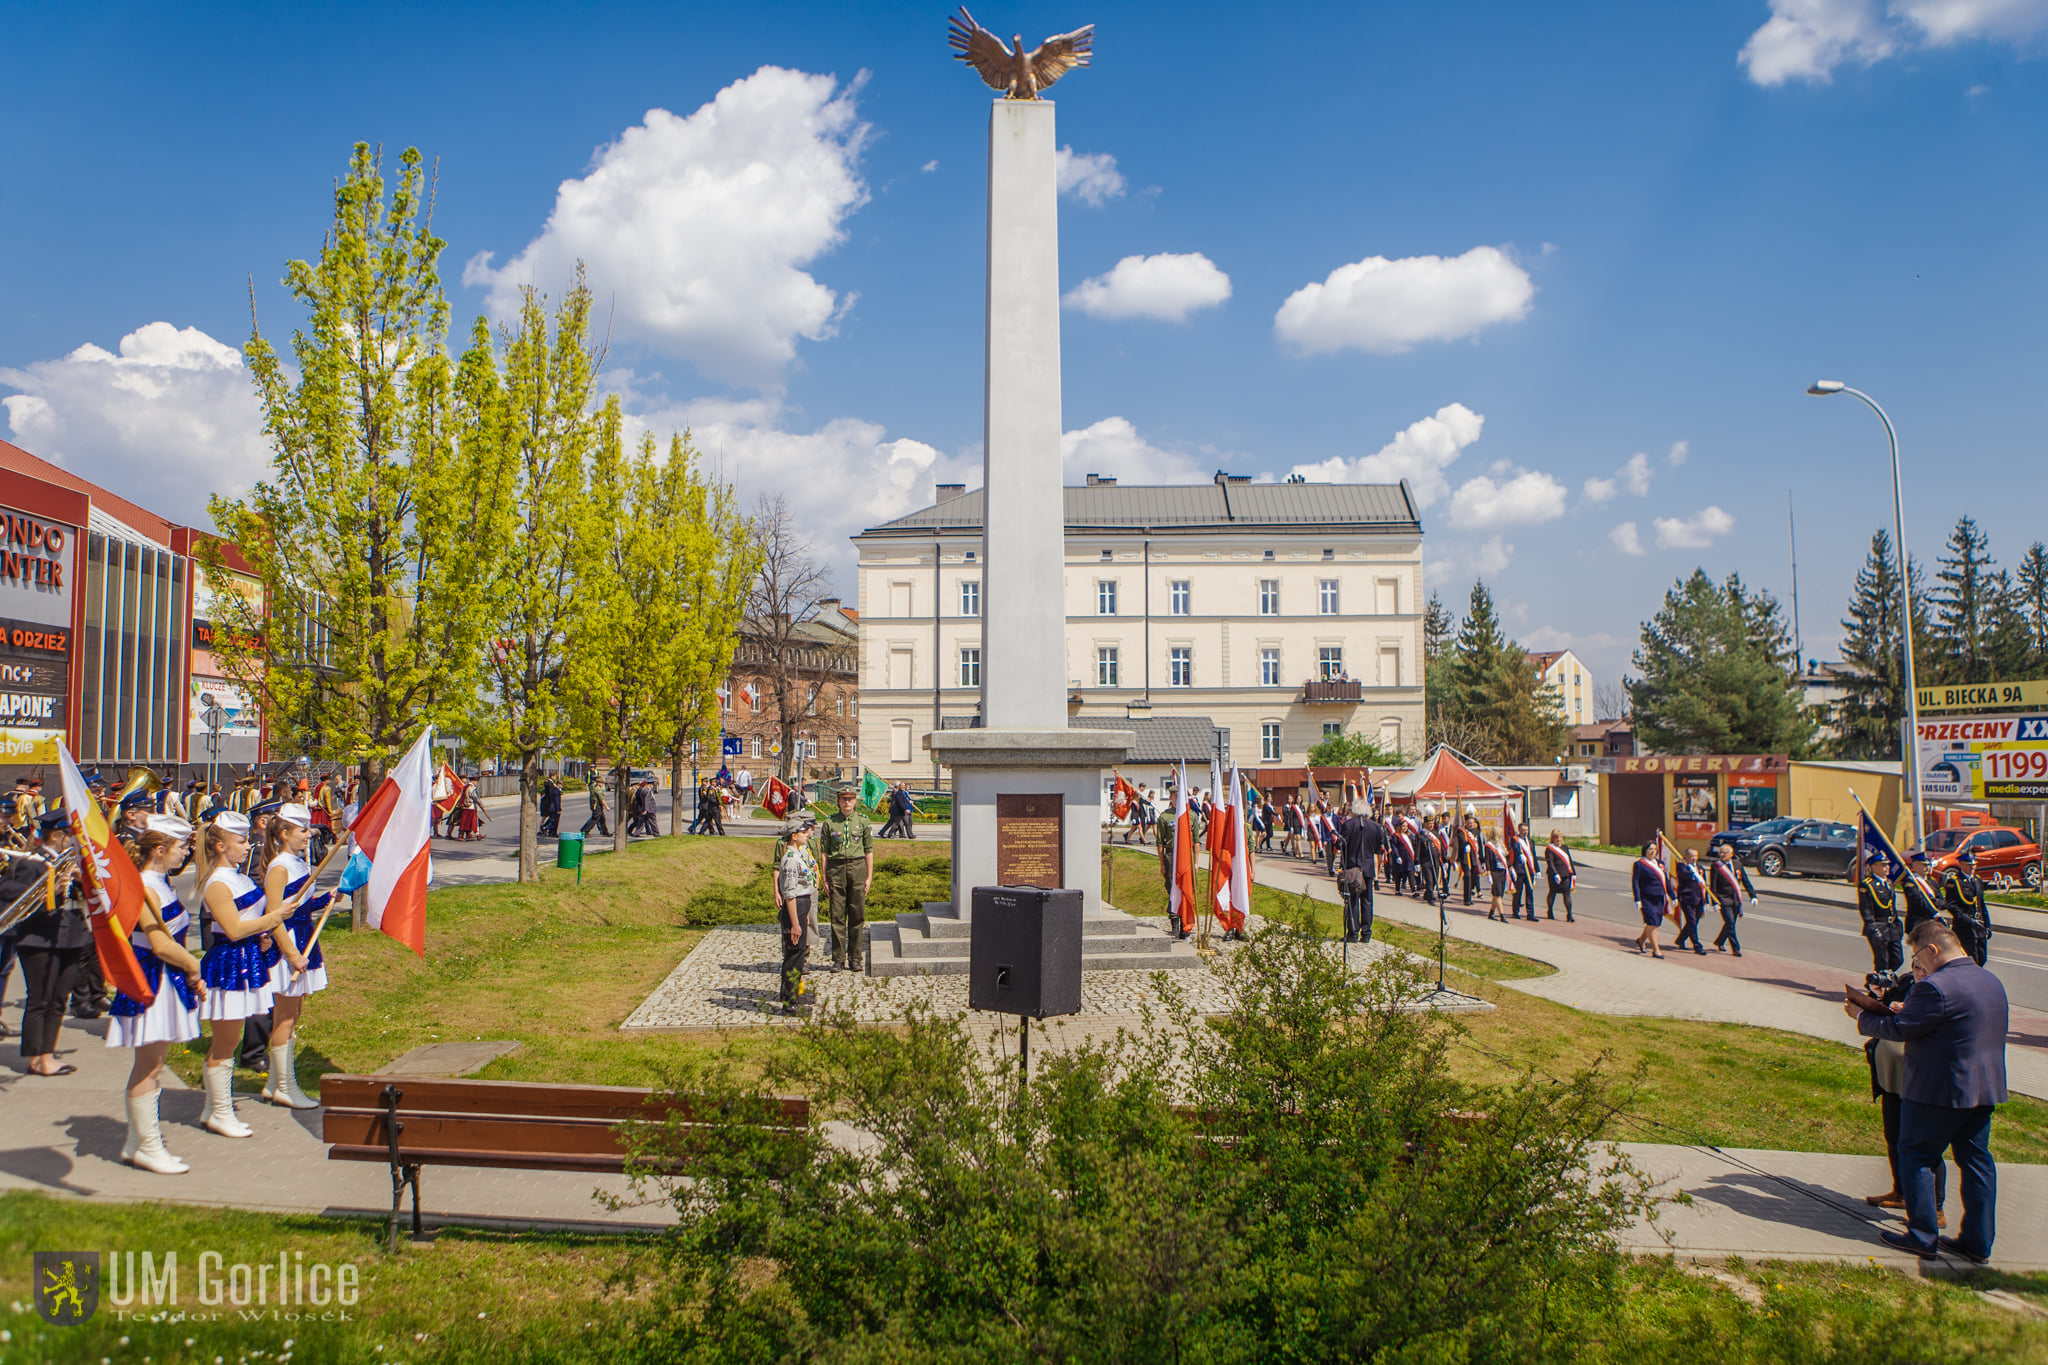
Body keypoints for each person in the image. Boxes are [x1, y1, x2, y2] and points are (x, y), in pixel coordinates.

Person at [1846, 919, 2007, 1263]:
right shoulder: (1989, 981)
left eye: (1918, 957)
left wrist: (1861, 1016)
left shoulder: (1935, 986)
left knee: (1917, 1156)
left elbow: (1899, 1030)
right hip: (1983, 1089)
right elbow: (1954, 1023)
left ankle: (1922, 1236)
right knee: (1977, 1163)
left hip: (1938, 1090)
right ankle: (1977, 1243)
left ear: (1932, 950)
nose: (1917, 965)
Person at [109, 818, 208, 1174]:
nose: (187, 853)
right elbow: (161, 944)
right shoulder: (144, 886)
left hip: (166, 977)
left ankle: (139, 1142)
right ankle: (148, 1146)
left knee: (154, 1064)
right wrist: (193, 968)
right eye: (182, 847)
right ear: (160, 850)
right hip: (152, 978)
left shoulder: (159, 884)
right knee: (149, 1066)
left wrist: (186, 968)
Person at [196, 813, 291, 1136]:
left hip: (248, 958)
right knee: (226, 1040)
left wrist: (262, 934)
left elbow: (248, 920)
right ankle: (220, 1110)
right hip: (229, 963)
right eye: (240, 841)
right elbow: (233, 929)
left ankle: (214, 1108)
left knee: (231, 1037)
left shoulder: (239, 878)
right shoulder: (217, 883)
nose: (247, 846)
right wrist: (273, 919)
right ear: (221, 846)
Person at [258, 804, 330, 1110]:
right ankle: (286, 1087)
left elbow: (301, 907)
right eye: (302, 830)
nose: (308, 834)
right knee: (285, 1018)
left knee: (293, 1014)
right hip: (288, 946)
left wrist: (330, 897)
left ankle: (274, 1083)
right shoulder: (279, 867)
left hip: (304, 939)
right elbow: (274, 916)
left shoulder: (299, 863)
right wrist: (291, 955)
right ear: (285, 834)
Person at [8, 811, 88, 1076]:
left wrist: (81, 881)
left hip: (72, 934)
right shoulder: (31, 863)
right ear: (56, 835)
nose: (74, 840)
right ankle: (35, 1057)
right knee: (40, 998)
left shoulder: (74, 864)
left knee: (59, 998)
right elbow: (16, 900)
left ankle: (47, 1053)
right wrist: (49, 892)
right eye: (70, 835)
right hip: (39, 937)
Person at [817, 783, 874, 973]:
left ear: (855, 801)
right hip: (836, 868)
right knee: (837, 915)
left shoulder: (864, 822)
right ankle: (838, 959)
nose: (847, 802)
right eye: (843, 799)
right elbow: (824, 852)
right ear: (838, 801)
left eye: (850, 799)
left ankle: (855, 958)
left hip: (857, 867)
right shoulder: (830, 822)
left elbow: (869, 851)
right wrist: (824, 877)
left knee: (857, 915)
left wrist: (868, 877)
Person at [772, 820, 817, 1013]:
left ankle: (793, 994)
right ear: (793, 835)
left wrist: (803, 915)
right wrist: (796, 923)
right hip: (794, 907)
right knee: (793, 955)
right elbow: (789, 894)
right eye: (803, 832)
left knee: (798, 954)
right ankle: (789, 1003)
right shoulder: (790, 859)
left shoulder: (799, 854)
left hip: (800, 906)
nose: (807, 834)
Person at [1941, 849, 1992, 967]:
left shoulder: (1977, 880)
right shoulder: (1954, 882)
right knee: (1971, 957)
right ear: (1962, 865)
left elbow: (1981, 903)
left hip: (1979, 925)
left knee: (1982, 957)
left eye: (1974, 865)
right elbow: (1952, 906)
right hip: (1965, 926)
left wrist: (1987, 925)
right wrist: (1969, 921)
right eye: (1969, 865)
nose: (1972, 867)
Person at [1339, 807, 1383, 943]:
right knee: (1367, 901)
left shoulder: (1349, 824)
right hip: (1368, 867)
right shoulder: (1376, 827)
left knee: (1353, 901)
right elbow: (1377, 848)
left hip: (1352, 867)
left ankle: (1353, 933)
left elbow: (1341, 844)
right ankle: (1366, 933)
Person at [1858, 855, 1906, 972]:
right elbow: (1865, 908)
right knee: (1882, 961)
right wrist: (1872, 927)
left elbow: (1892, 907)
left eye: (1887, 865)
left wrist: (1898, 925)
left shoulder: (1889, 883)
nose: (1887, 868)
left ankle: (1882, 981)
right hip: (1879, 926)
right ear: (1873, 867)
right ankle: (1878, 986)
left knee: (1897, 959)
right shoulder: (1867, 885)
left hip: (1892, 927)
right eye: (1883, 865)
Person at [1709, 844, 1756, 957]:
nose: (1722, 854)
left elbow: (1745, 881)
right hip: (1723, 899)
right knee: (1730, 923)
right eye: (1720, 852)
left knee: (1730, 924)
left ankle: (1719, 941)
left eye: (1725, 852)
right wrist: (1714, 902)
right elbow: (1713, 886)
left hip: (1735, 899)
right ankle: (1735, 948)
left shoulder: (1737, 864)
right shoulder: (1716, 866)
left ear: (1731, 854)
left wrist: (1753, 895)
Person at [1630, 840, 1670, 959]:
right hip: (1646, 897)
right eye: (1650, 849)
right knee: (1652, 923)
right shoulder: (1640, 864)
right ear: (1645, 850)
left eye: (1654, 849)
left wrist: (1673, 896)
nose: (1652, 852)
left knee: (1654, 923)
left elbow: (1665, 881)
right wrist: (1637, 899)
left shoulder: (1660, 864)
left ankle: (1641, 941)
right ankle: (1656, 950)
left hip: (1659, 897)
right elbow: (1635, 882)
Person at [1672, 849, 1709, 955]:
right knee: (1691, 921)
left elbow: (1704, 885)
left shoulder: (1700, 868)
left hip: (1698, 899)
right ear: (1686, 856)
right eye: (1692, 856)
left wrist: (1705, 900)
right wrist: (1693, 873)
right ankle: (1697, 946)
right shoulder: (1682, 866)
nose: (1694, 858)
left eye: (1696, 856)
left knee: (1693, 923)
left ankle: (1680, 939)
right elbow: (1684, 875)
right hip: (1687, 898)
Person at [1542, 830, 1577, 922]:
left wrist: (1573, 873)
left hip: (1565, 874)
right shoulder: (1549, 849)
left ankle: (1569, 914)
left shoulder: (1565, 848)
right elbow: (1550, 862)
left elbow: (1569, 860)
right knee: (1552, 892)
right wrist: (1555, 874)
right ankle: (1549, 911)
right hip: (1554, 875)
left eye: (1560, 837)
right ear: (1552, 839)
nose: (1558, 839)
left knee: (1566, 894)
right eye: (1556, 838)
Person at [1509, 826, 1537, 921]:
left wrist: (1537, 870)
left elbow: (1534, 856)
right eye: (1523, 830)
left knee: (1530, 892)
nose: (1525, 832)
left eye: (1527, 830)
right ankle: (1515, 911)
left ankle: (1530, 914)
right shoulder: (1515, 839)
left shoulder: (1530, 841)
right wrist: (1520, 854)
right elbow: (1516, 849)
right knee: (1518, 891)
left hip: (1529, 870)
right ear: (1519, 830)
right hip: (1520, 869)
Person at [581, 772, 611, 838]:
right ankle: (585, 831)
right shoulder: (597, 789)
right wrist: (606, 807)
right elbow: (601, 799)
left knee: (602, 819)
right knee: (595, 819)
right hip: (596, 805)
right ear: (598, 783)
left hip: (595, 804)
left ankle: (605, 832)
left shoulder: (593, 786)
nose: (602, 784)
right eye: (601, 783)